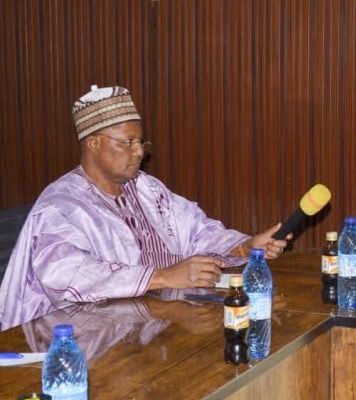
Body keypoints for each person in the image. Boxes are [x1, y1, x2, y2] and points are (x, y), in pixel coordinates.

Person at [0, 85, 289, 330]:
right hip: (81, 344)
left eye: (140, 142)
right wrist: (161, 276)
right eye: (127, 142)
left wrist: (244, 246)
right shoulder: (62, 206)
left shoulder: (145, 189)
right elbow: (67, 276)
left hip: (150, 327)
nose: (139, 151)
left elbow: (196, 232)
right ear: (94, 143)